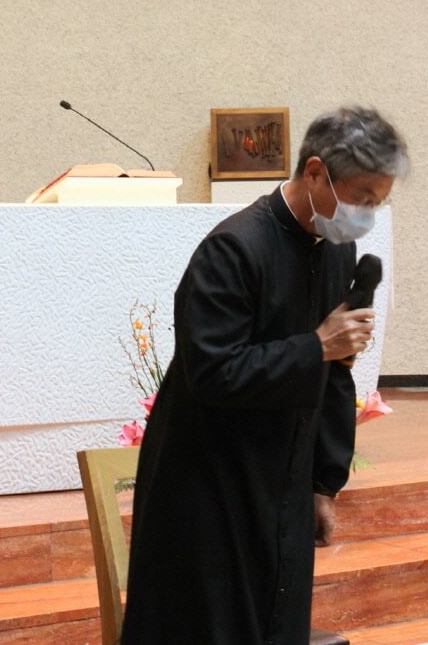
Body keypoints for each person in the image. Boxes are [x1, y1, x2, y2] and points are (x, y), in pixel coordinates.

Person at [120, 106, 409, 645]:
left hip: (284, 480)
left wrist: (323, 483)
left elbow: (335, 376)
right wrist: (316, 346)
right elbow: (213, 371)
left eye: (378, 202)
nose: (368, 214)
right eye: (363, 198)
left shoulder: (337, 249)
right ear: (317, 173)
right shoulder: (234, 248)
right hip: (210, 487)